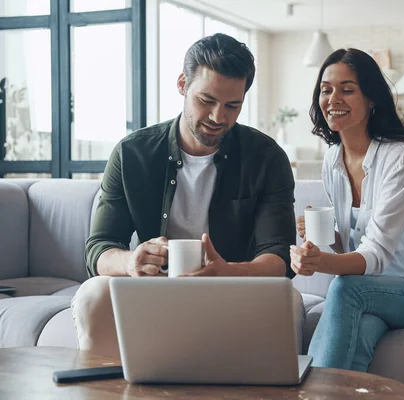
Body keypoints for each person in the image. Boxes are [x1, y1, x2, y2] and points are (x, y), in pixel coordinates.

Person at [72, 33, 304, 358]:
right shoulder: (131, 153)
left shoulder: (266, 157)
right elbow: (99, 247)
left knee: (289, 301)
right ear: (182, 84)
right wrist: (131, 261)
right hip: (155, 288)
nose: (218, 117)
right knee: (92, 294)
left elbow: (278, 256)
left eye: (232, 105)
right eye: (206, 100)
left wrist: (230, 272)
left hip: (236, 288)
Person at [291, 48, 404, 372]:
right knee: (357, 341)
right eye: (326, 90)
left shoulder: (401, 157)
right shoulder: (332, 159)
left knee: (343, 289)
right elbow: (351, 249)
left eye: (347, 89)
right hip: (371, 290)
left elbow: (377, 255)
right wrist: (326, 236)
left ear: (371, 98)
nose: (333, 99)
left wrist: (318, 263)